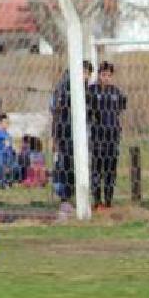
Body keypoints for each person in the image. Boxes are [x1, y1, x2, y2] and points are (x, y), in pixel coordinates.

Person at [50, 61, 98, 215]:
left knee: (78, 165)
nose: (85, 76)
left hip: (78, 134)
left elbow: (91, 111)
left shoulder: (85, 90)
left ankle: (76, 198)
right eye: (84, 72)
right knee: (66, 165)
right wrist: (56, 135)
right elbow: (57, 111)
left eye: (88, 74)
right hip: (66, 132)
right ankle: (65, 199)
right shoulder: (65, 87)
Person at [89, 61, 127, 210]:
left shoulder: (116, 92)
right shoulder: (92, 91)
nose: (106, 78)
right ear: (99, 75)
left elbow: (121, 109)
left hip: (112, 137)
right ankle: (97, 201)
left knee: (110, 170)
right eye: (103, 75)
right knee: (97, 170)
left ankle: (109, 201)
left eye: (109, 75)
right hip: (98, 137)